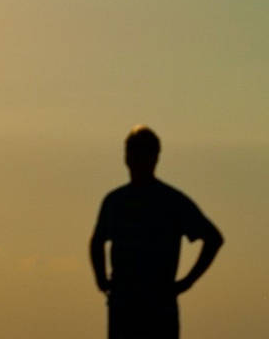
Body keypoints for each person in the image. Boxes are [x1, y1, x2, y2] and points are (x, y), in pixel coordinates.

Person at [89, 126, 224, 339]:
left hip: (156, 306)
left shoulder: (170, 202)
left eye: (141, 153)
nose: (135, 159)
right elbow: (97, 242)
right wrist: (102, 280)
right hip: (126, 306)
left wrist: (187, 282)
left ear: (154, 157)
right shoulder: (116, 201)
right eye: (132, 152)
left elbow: (214, 239)